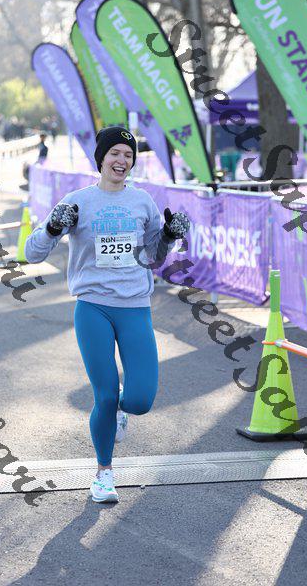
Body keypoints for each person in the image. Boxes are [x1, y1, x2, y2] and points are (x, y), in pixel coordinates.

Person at [25, 126, 190, 504]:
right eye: (115, 153)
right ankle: (103, 474)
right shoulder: (77, 201)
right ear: (101, 158)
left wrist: (168, 236)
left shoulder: (142, 201)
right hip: (93, 307)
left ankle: (120, 411)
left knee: (140, 400)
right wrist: (53, 226)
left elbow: (153, 258)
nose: (121, 160)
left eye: (128, 155)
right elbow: (33, 253)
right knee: (104, 395)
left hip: (135, 308)